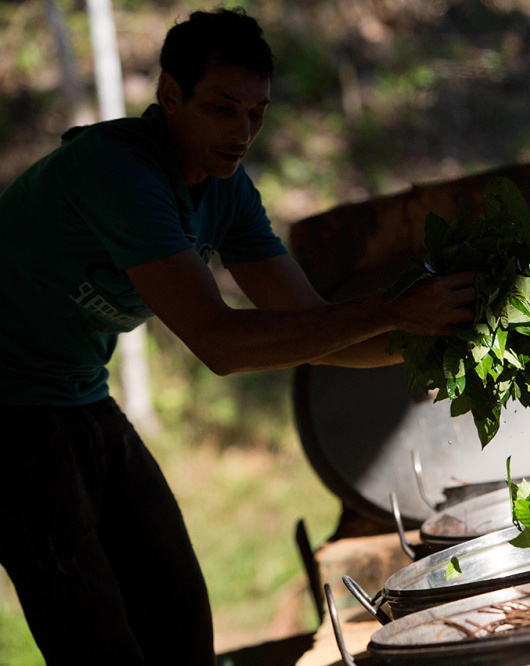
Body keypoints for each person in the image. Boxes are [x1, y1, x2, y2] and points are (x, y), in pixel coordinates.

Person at [0, 7, 474, 664]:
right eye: (224, 109)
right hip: (10, 413)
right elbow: (219, 343)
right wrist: (395, 312)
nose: (243, 131)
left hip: (77, 391)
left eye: (257, 112)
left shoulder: (224, 190)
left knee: (177, 615)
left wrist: (442, 332)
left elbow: (314, 327)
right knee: (95, 640)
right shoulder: (116, 172)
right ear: (170, 95)